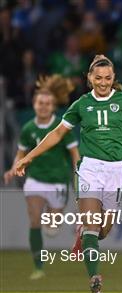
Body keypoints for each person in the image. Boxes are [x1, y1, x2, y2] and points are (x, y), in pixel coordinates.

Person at [15, 55, 122, 293]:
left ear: (113, 78)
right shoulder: (81, 105)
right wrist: (28, 156)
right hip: (90, 169)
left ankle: (83, 234)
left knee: (103, 231)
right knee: (92, 226)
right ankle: (95, 276)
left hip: (117, 171)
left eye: (107, 78)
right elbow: (56, 133)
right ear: (89, 78)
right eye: (98, 78)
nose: (103, 83)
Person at [4, 74, 80, 280]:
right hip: (36, 179)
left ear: (53, 106)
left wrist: (80, 174)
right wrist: (13, 167)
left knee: (52, 229)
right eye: (40, 103)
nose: (43, 106)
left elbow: (75, 155)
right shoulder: (29, 129)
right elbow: (20, 153)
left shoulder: (63, 129)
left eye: (47, 103)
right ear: (34, 104)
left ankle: (54, 218)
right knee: (35, 219)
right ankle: (38, 266)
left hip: (58, 181)